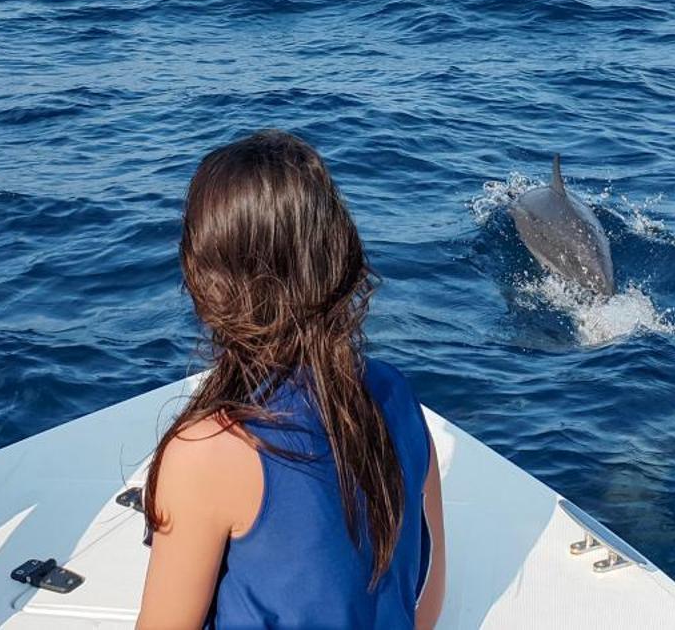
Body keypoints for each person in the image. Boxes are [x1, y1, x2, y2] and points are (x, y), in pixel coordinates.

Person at [137, 130, 448, 630]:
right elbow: (428, 593)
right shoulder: (396, 392)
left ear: (207, 280)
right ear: (338, 253)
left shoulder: (208, 450)